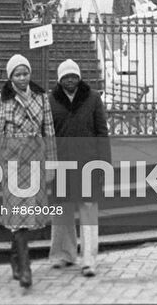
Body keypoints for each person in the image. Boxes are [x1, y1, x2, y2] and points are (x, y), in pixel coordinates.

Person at [0, 54, 57, 288]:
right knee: (19, 215)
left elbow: (49, 131)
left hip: (35, 159)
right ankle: (26, 268)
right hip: (13, 162)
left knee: (29, 216)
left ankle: (16, 258)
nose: (22, 78)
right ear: (10, 77)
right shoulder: (1, 99)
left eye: (25, 73)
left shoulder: (41, 97)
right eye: (17, 74)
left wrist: (52, 164)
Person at [48, 58, 110, 277]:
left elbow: (102, 132)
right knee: (62, 211)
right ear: (59, 79)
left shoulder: (93, 99)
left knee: (88, 210)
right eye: (66, 77)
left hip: (88, 163)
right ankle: (62, 254)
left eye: (73, 76)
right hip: (61, 163)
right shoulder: (50, 100)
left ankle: (89, 259)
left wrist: (104, 164)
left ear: (79, 77)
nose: (70, 80)